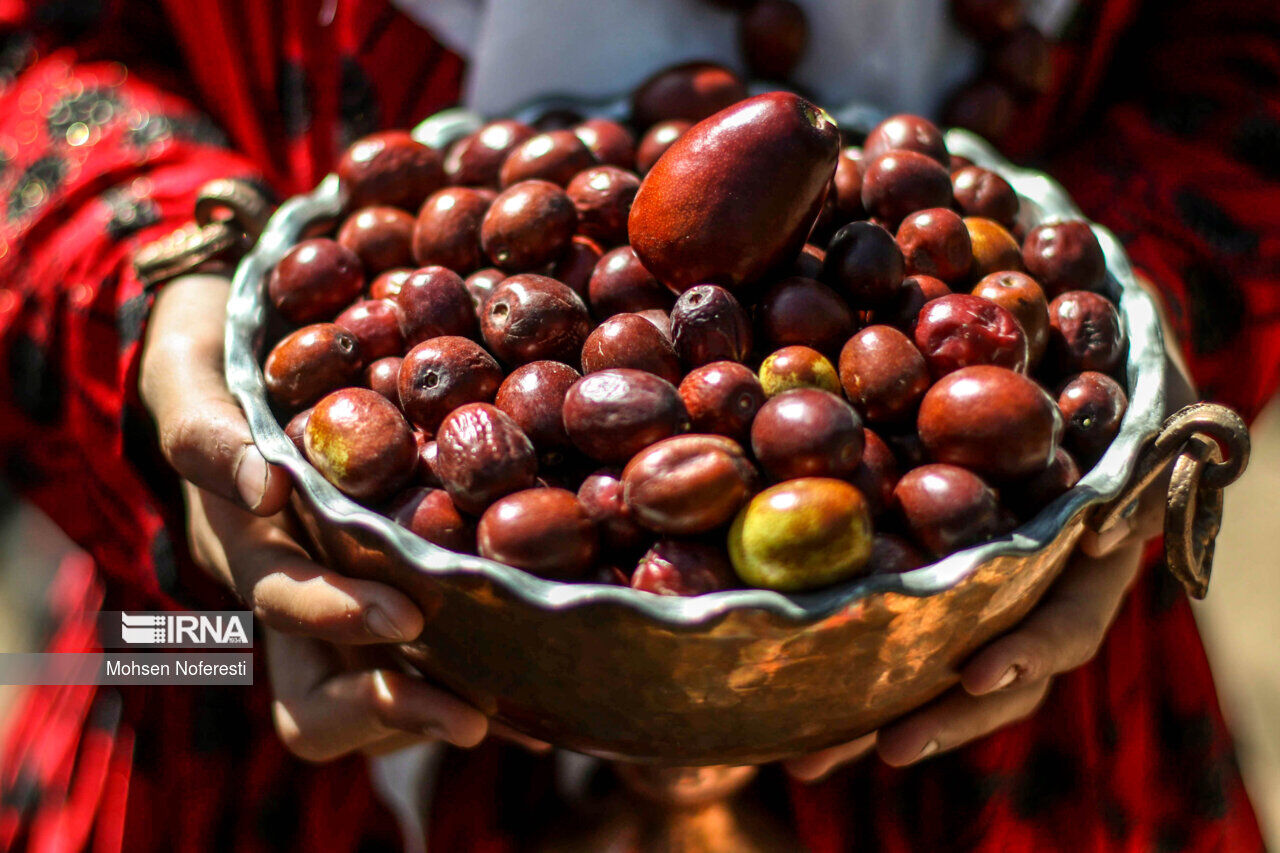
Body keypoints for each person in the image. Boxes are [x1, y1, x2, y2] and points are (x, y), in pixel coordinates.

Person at [0, 0, 1275, 849]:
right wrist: (155, 292)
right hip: (243, 615)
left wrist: (1140, 319)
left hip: (1000, 624)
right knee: (168, 662)